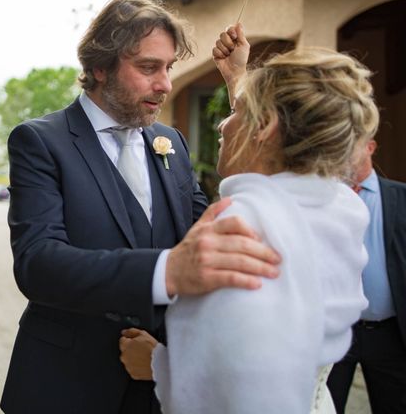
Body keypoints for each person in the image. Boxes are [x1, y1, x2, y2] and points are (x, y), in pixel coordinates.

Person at [0, 0, 281, 414]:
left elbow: (206, 232)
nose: (165, 84)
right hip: (64, 384)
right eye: (148, 67)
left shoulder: (172, 144)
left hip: (157, 385)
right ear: (100, 66)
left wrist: (237, 79)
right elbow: (38, 264)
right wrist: (168, 271)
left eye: (168, 68)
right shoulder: (41, 141)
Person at [119, 25, 380, 414]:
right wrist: (237, 78)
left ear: (267, 126)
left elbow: (238, 388)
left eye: (238, 111)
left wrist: (159, 365)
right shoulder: (340, 207)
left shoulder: (242, 226)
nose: (223, 124)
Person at [327, 140, 406, 413]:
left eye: (353, 144)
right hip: (339, 329)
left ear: (371, 147)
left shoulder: (400, 197)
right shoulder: (327, 200)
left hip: (388, 333)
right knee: (326, 404)